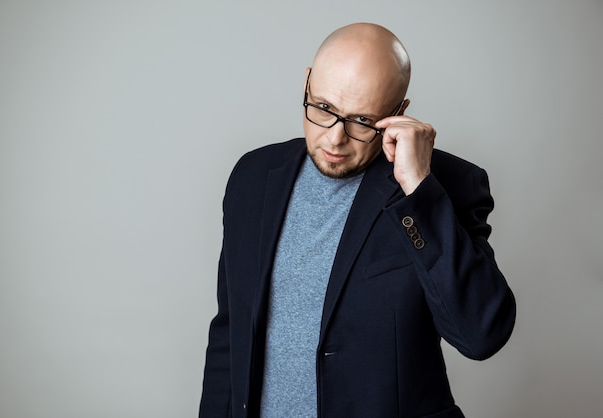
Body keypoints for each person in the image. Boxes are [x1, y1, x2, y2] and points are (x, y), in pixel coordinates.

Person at [199, 22, 516, 418]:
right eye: (324, 109)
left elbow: (481, 335)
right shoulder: (252, 177)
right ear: (307, 84)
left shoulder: (445, 187)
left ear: (398, 115)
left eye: (362, 121)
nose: (335, 138)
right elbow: (230, 333)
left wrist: (420, 191)